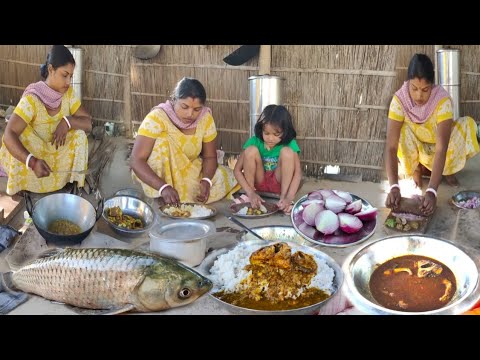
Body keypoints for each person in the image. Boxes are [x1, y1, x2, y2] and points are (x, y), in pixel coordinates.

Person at [385, 53, 479, 216]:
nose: (419, 95)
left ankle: (447, 170)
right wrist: (394, 186)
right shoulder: (399, 101)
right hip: (416, 141)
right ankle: (416, 169)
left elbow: (442, 148)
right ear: (407, 83)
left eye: (425, 89)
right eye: (414, 88)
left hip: (438, 144)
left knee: (466, 126)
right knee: (402, 132)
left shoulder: (442, 100)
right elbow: (391, 147)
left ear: (432, 86)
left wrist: (432, 192)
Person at [0, 45, 92, 195]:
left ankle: (67, 181)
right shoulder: (32, 98)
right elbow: (8, 135)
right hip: (36, 158)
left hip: (55, 152)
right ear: (51, 69)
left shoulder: (68, 94)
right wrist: (32, 161)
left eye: (71, 76)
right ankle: (24, 184)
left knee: (80, 136)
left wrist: (67, 122)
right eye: (65, 75)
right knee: (21, 135)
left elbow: (88, 123)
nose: (68, 81)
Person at [130, 77, 238, 205]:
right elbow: (136, 160)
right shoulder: (157, 117)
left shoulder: (205, 118)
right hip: (160, 176)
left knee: (222, 175)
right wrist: (163, 187)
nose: (190, 114)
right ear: (174, 100)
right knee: (162, 143)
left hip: (190, 170)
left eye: (197, 109)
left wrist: (206, 180)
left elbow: (210, 156)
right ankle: (161, 196)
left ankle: (182, 196)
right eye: (184, 107)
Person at [234, 104, 302, 214]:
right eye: (266, 133)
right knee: (251, 150)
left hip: (279, 183)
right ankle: (249, 196)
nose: (270, 138)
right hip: (259, 181)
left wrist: (289, 197)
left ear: (285, 131)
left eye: (276, 134)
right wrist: (250, 192)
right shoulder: (254, 141)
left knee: (287, 152)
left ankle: (283, 200)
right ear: (261, 129)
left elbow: (297, 174)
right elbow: (237, 170)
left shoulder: (290, 144)